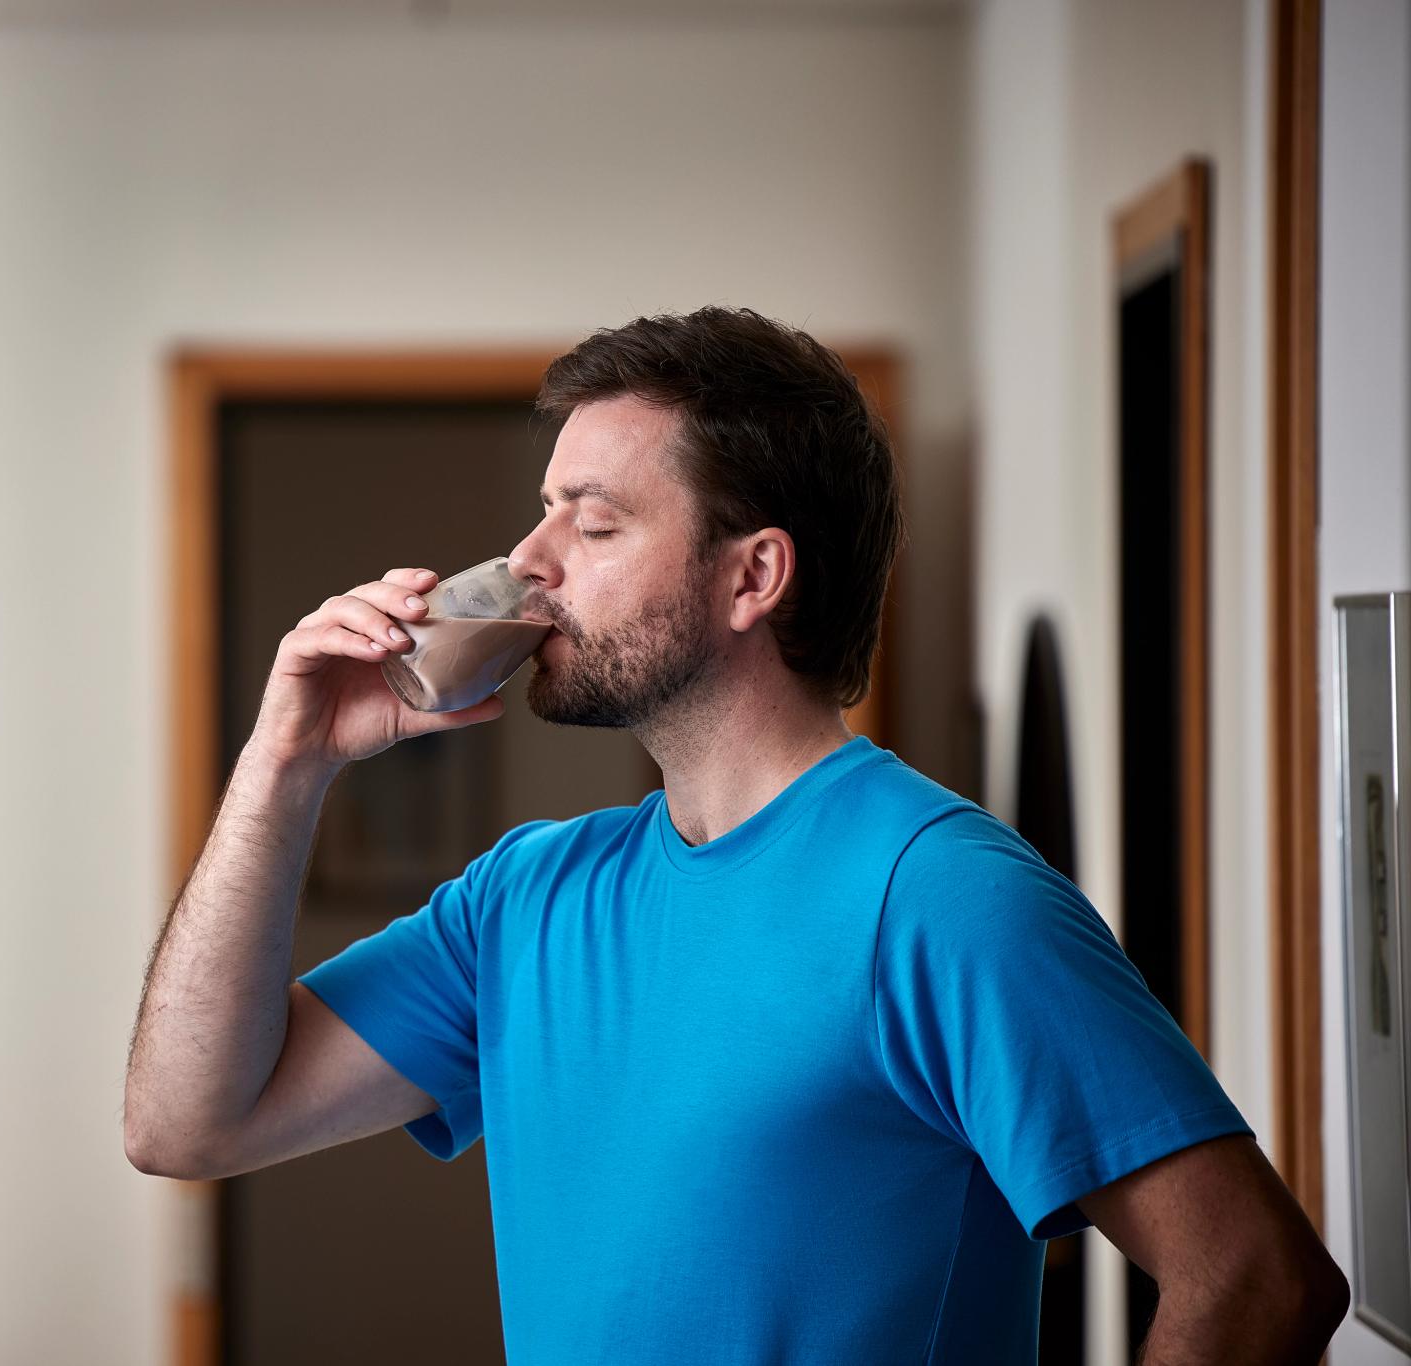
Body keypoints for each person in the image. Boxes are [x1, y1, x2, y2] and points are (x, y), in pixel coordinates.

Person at [122, 307, 1348, 1363]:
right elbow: (184, 1123)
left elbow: (1253, 1278)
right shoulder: (522, 902)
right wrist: (284, 763)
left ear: (750, 575)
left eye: (590, 526)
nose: (526, 564)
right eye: (540, 515)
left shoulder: (936, 895)